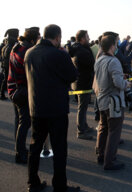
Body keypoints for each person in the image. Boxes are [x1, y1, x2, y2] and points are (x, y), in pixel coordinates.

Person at [24, 24, 79, 192]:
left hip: (36, 106)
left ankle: (32, 183)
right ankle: (59, 186)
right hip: (56, 109)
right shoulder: (58, 54)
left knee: (35, 146)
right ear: (57, 37)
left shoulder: (30, 52)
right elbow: (72, 75)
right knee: (59, 148)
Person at [94, 34, 129, 170]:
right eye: (116, 43)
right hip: (113, 102)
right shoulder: (113, 61)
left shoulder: (99, 59)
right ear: (112, 46)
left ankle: (101, 154)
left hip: (102, 99)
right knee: (114, 131)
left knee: (103, 128)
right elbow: (118, 83)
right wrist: (126, 84)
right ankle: (109, 161)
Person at [7, 27, 40, 164]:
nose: (40, 39)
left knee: (20, 121)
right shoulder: (26, 52)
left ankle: (19, 150)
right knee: (25, 123)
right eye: (38, 36)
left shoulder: (17, 47)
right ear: (32, 39)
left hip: (13, 88)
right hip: (21, 90)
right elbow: (30, 73)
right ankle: (20, 153)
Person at [69, 30, 95, 140]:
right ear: (82, 39)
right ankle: (81, 131)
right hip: (83, 83)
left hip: (81, 82)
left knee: (83, 106)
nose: (89, 38)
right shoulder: (82, 51)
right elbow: (91, 64)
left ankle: (84, 126)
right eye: (87, 37)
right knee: (82, 107)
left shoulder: (78, 49)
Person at [1, 28, 19, 100]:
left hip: (5, 65)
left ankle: (2, 93)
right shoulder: (10, 46)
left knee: (6, 80)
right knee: (7, 80)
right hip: (8, 66)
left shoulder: (7, 45)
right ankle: (2, 94)